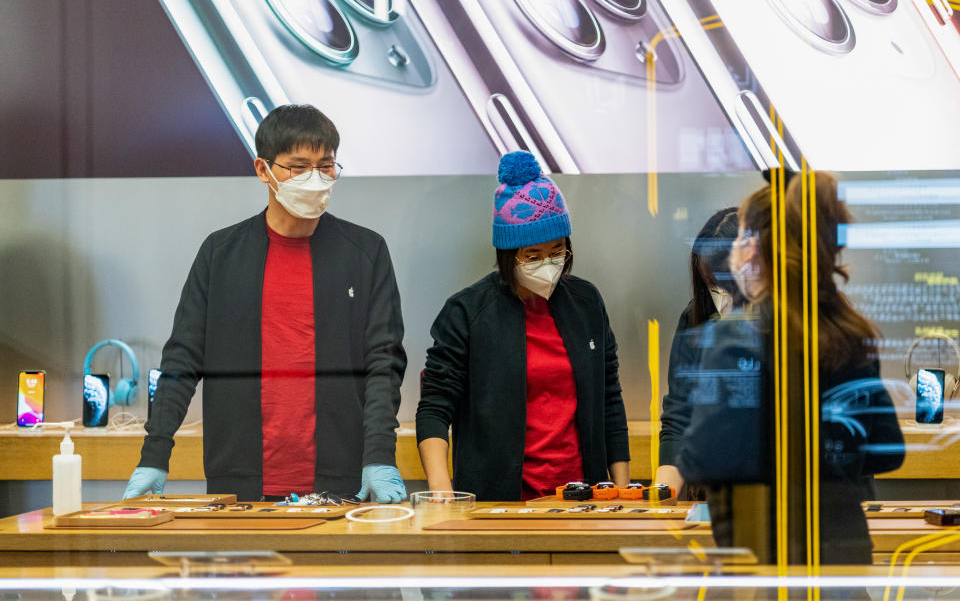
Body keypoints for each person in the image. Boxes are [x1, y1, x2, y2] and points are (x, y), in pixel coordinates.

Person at [123, 104, 407, 503]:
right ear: (263, 170)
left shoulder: (364, 252)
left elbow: (384, 362)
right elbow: (182, 359)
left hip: (341, 477)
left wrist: (379, 455)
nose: (315, 178)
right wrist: (155, 453)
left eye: (326, 166)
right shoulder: (221, 254)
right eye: (298, 166)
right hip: (239, 479)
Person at [677, 170, 905, 564]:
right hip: (844, 551)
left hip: (764, 549)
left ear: (754, 248)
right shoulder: (848, 330)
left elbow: (701, 459)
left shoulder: (736, 336)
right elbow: (887, 451)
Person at [415, 151, 630, 501]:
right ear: (507, 254)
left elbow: (609, 397)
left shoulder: (586, 302)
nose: (548, 263)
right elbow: (435, 407)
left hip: (581, 497)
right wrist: (443, 493)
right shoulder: (467, 312)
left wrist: (620, 487)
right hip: (498, 500)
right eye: (532, 255)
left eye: (557, 250)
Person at [655, 207, 739, 499]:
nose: (723, 297)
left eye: (730, 285)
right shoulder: (695, 319)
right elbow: (679, 416)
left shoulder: (803, 322)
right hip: (713, 496)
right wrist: (661, 497)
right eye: (714, 285)